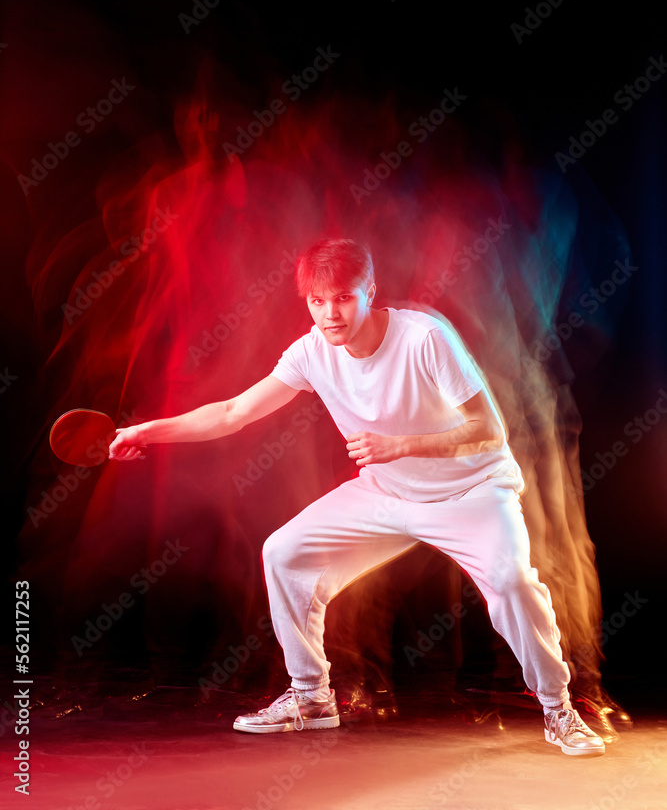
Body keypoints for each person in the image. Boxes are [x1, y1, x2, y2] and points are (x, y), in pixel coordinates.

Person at [109, 237, 605, 756]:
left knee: (511, 582)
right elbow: (233, 412)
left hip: (472, 493)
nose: (329, 314)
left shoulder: (425, 338)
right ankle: (311, 698)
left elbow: (490, 431)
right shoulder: (310, 352)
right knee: (282, 553)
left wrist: (402, 445)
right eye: (316, 301)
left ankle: (559, 711)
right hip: (386, 494)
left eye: (342, 298)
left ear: (370, 290)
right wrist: (146, 431)